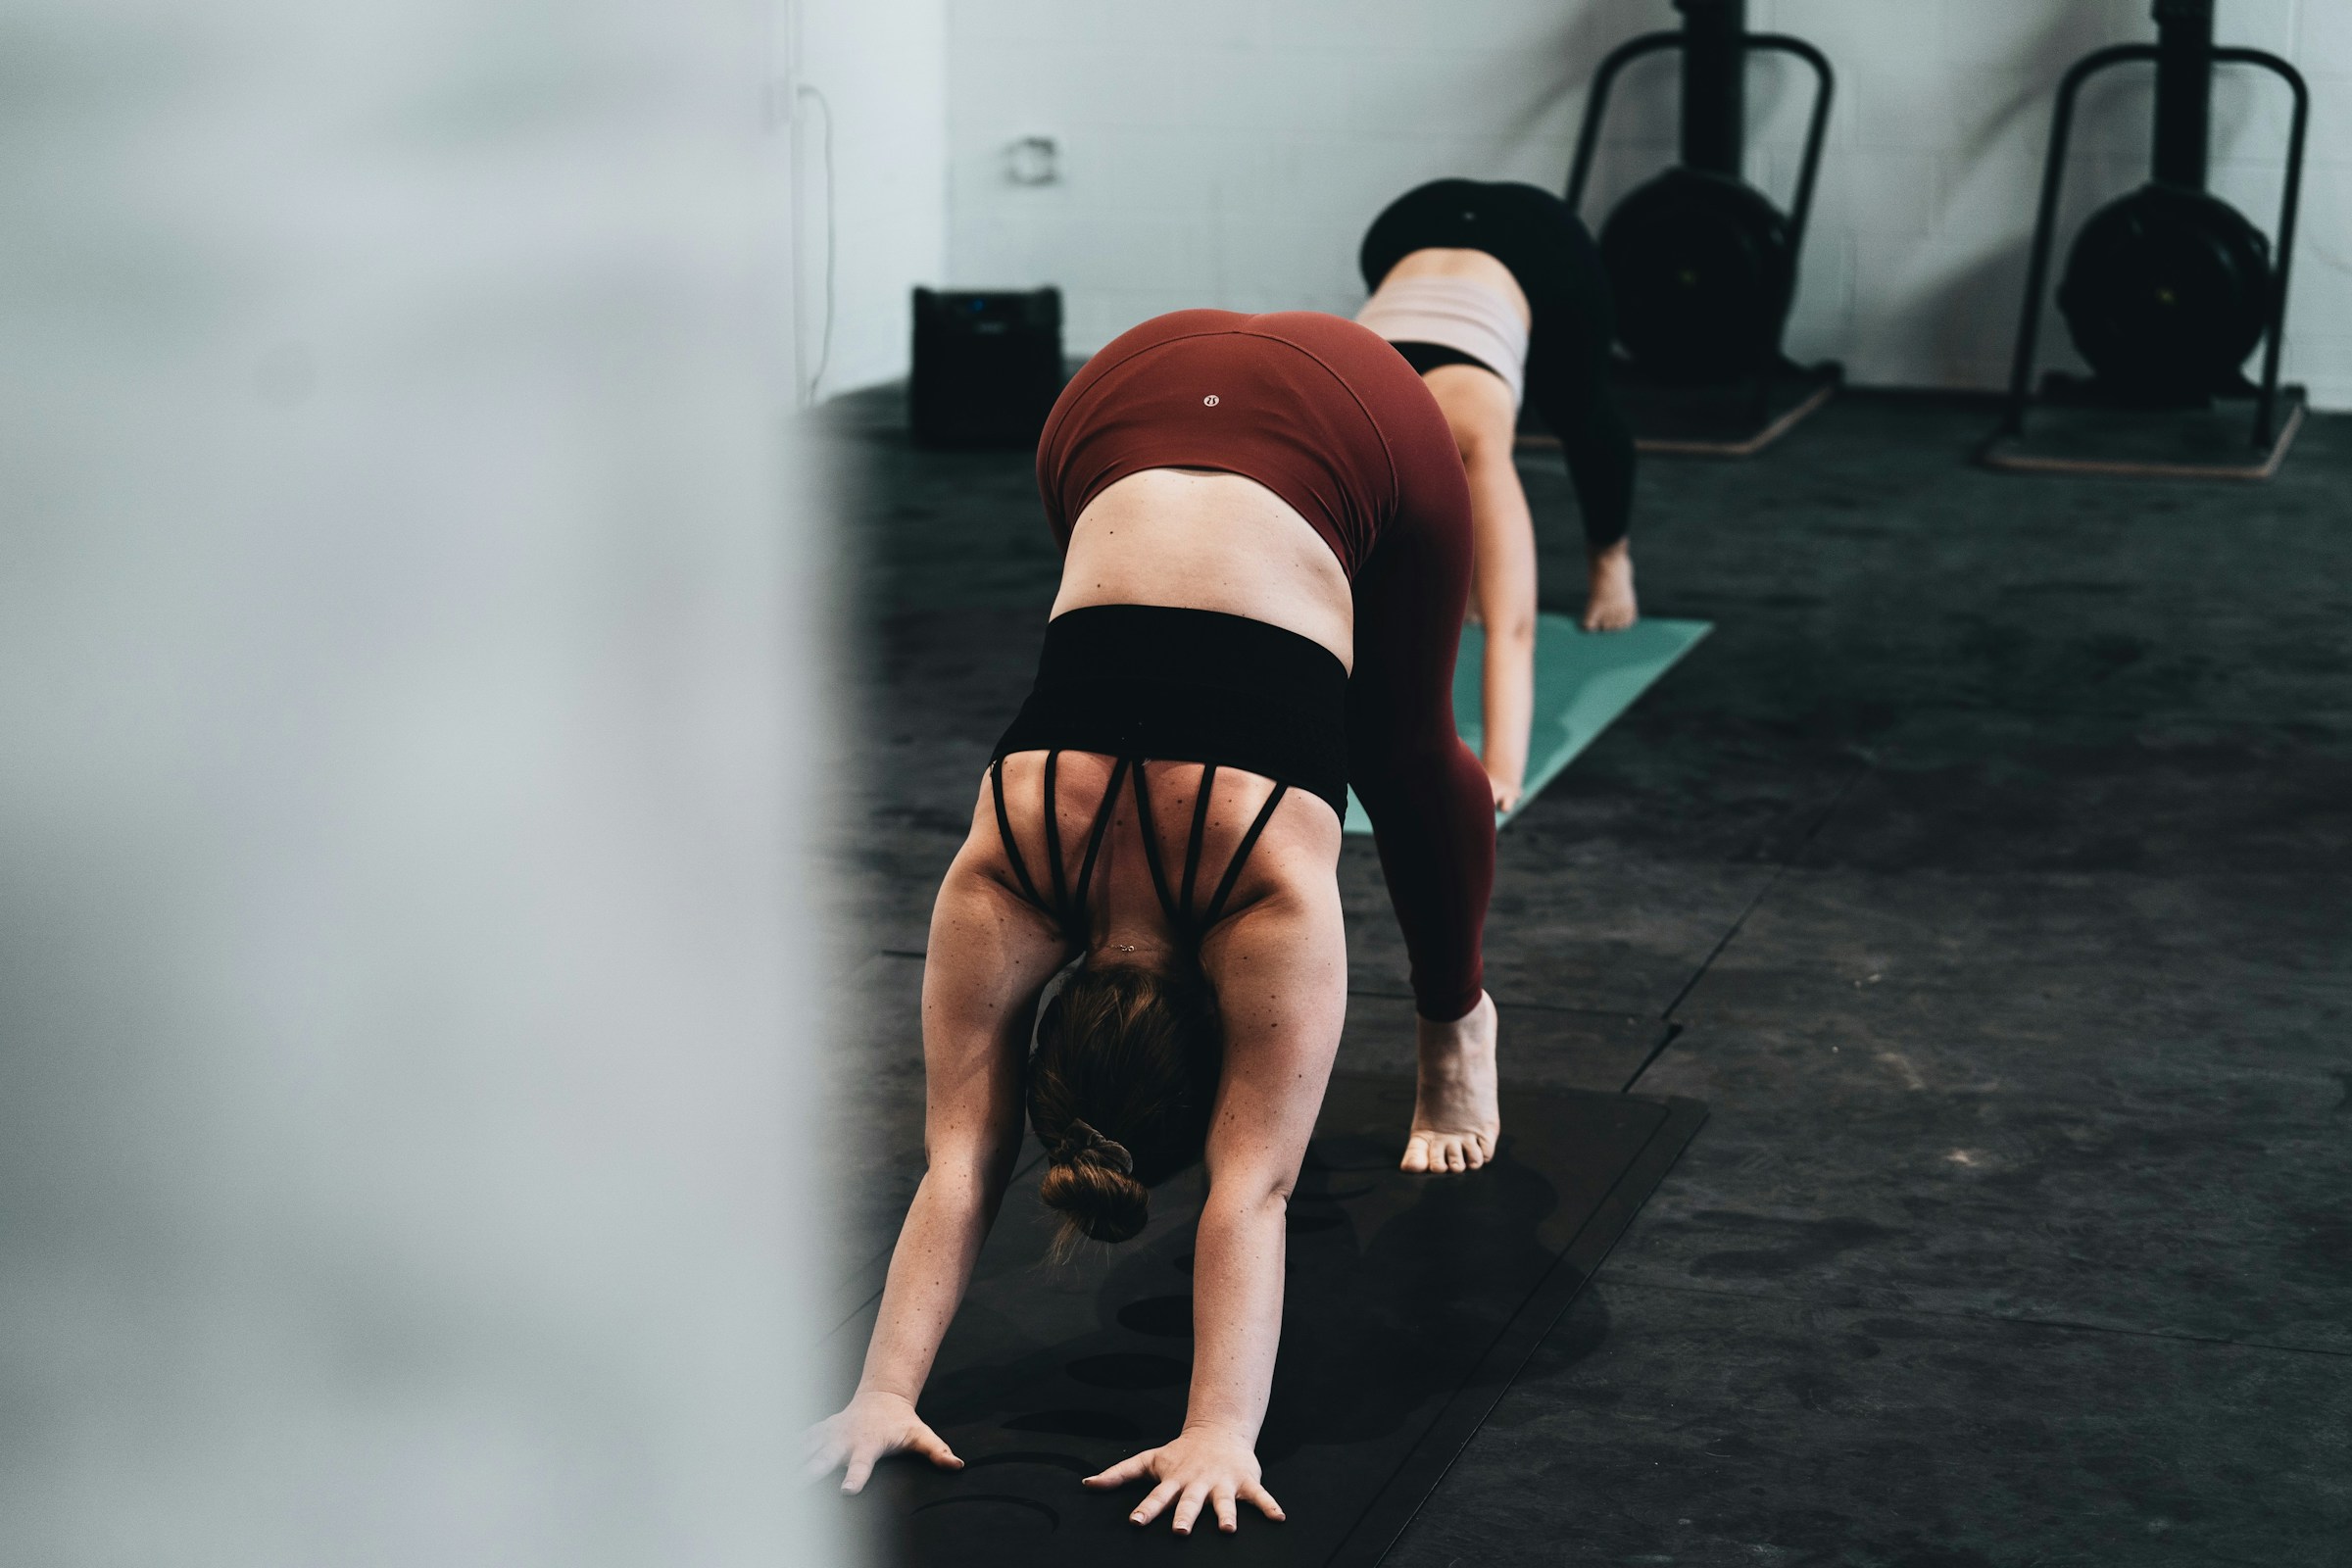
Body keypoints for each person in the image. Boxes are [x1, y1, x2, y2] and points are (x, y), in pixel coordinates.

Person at [807, 309, 1500, 1535]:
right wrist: (875, 1394)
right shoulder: (1000, 875)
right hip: (1109, 395)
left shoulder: (1272, 895)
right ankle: (1454, 1022)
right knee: (1373, 729)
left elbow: (1249, 1189)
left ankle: (1459, 1018)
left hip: (1363, 409)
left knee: (1406, 756)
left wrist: (1223, 1429)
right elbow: (973, 1162)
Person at [1357, 177, 1641, 811]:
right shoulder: (1339, 436)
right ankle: (1467, 578)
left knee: (1579, 407)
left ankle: (1610, 558)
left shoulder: (1472, 437)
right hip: (1405, 224)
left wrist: (1500, 769)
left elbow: (1514, 626)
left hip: (1544, 250)